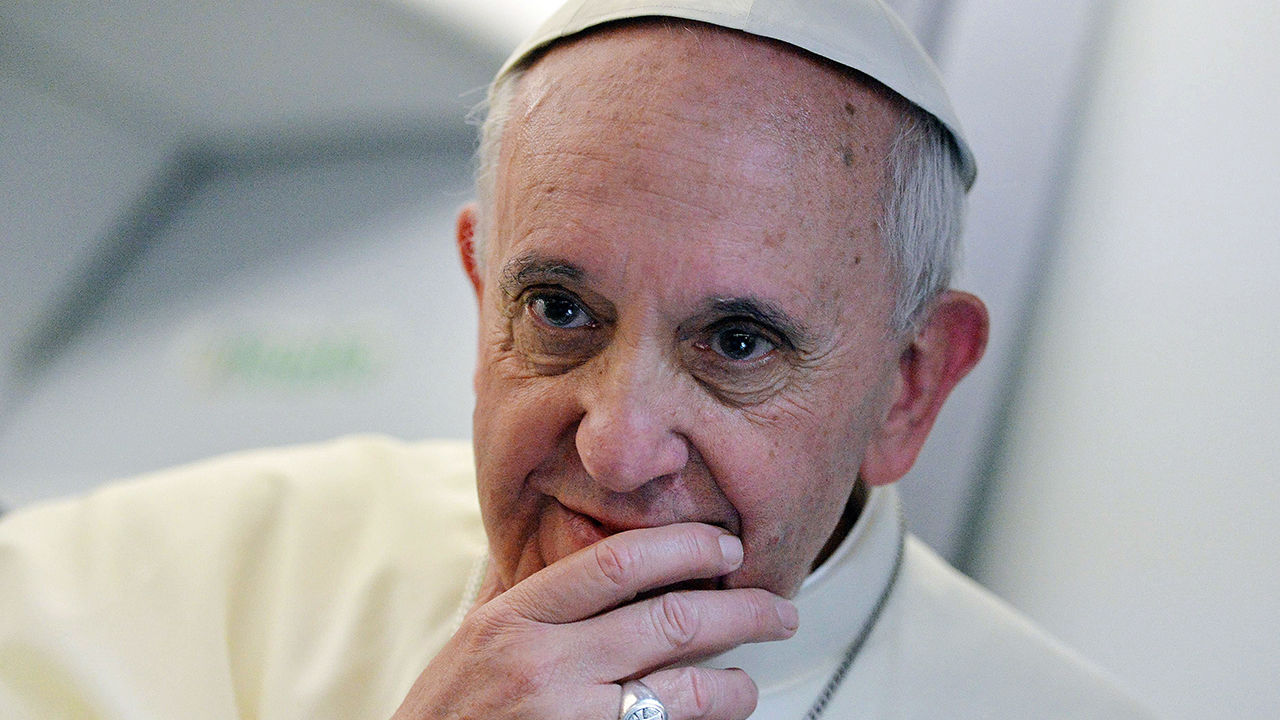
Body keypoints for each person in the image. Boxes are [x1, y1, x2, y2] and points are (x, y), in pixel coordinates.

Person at [0, 1, 1155, 718]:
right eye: (559, 310)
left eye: (736, 344)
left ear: (907, 391)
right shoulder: (193, 573)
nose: (613, 446)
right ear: (477, 293)